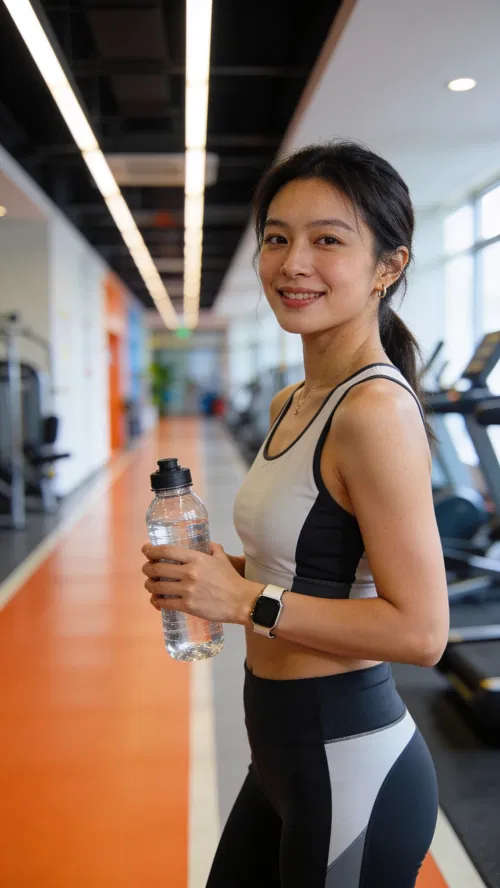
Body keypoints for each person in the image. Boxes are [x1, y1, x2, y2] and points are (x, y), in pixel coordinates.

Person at [141, 141, 449, 888]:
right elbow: (309, 566)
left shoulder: (374, 411)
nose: (292, 263)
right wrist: (220, 573)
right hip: (281, 751)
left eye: (328, 241)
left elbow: (421, 632)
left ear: (388, 267)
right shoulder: (293, 400)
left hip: (349, 761)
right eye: (277, 238)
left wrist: (246, 600)